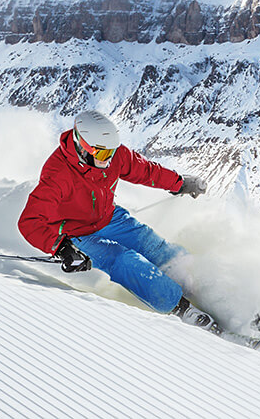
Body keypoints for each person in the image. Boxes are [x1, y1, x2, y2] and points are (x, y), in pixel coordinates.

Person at [18, 110, 214, 329]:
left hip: (108, 217)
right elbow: (29, 221)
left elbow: (144, 170)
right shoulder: (58, 173)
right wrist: (61, 248)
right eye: (102, 154)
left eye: (112, 152)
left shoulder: (114, 156)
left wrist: (178, 183)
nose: (109, 159)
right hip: (77, 232)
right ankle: (180, 308)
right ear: (83, 146)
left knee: (151, 243)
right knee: (124, 260)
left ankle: (200, 285)